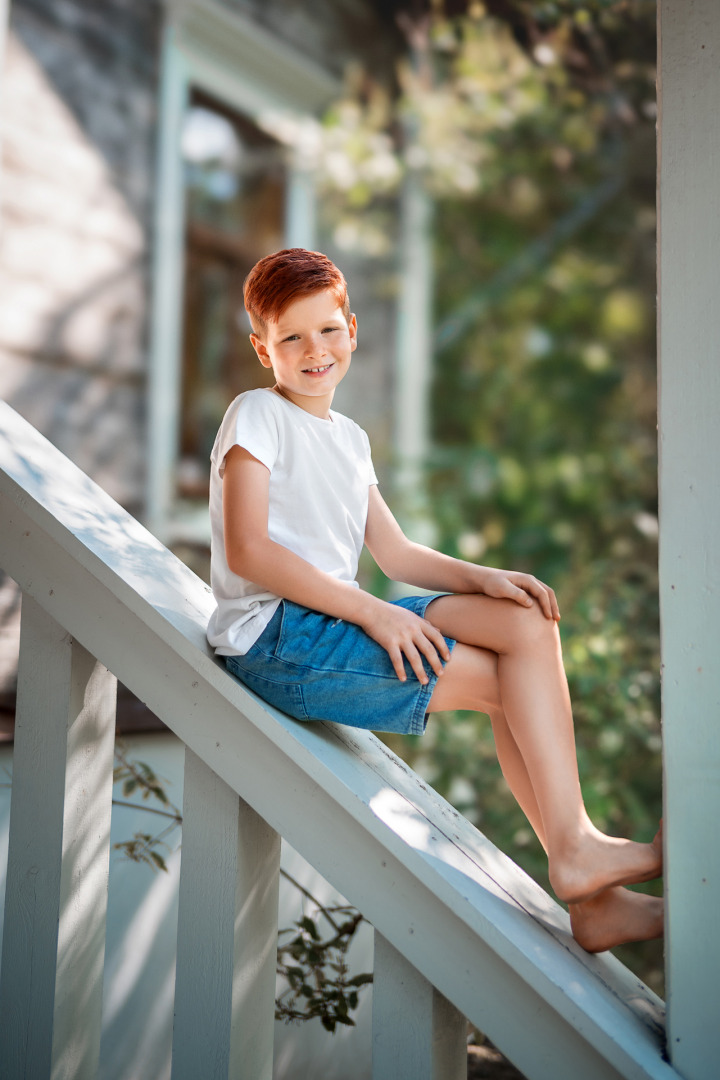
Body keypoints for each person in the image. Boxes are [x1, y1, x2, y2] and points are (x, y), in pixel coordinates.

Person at [207, 247, 662, 953]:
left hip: (336, 617)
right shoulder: (256, 415)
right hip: (277, 641)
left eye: (327, 330)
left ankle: (584, 874)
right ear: (262, 349)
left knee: (523, 621)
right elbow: (250, 553)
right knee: (510, 683)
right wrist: (375, 611)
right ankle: (580, 862)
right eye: (289, 337)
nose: (313, 350)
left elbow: (396, 555)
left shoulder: (348, 438)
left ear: (352, 329)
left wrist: (483, 577)